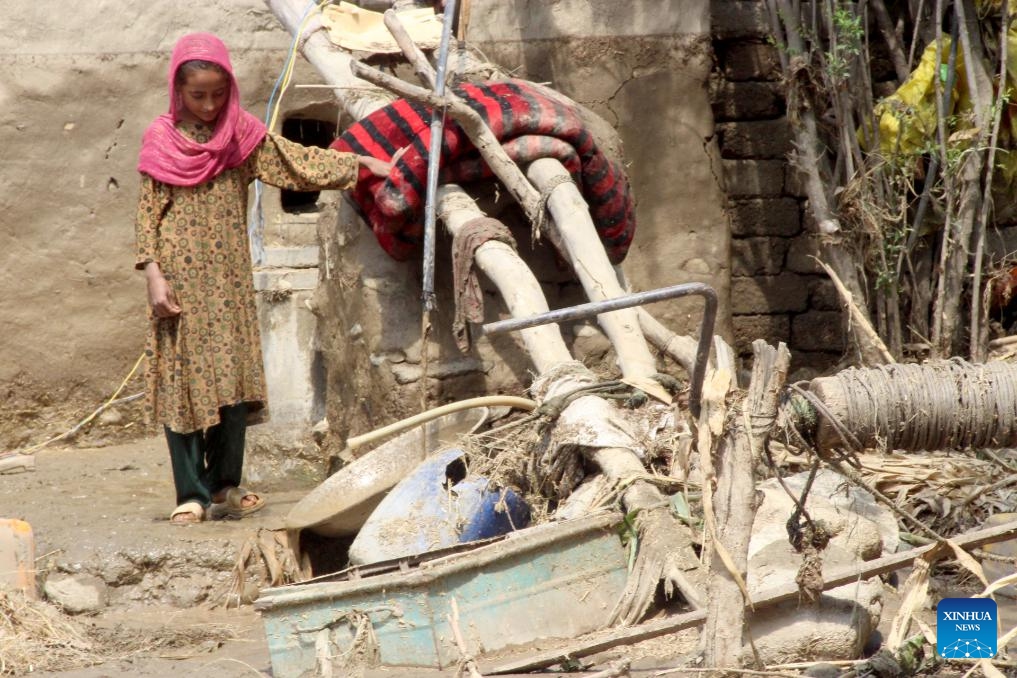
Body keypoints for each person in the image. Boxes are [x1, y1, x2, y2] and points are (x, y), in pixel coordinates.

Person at [135, 33, 392, 524]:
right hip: (179, 279)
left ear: (228, 88)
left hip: (228, 280)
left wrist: (363, 165)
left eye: (216, 94)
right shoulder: (161, 140)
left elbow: (298, 162)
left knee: (232, 383)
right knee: (184, 383)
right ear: (177, 91)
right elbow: (148, 213)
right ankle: (189, 493)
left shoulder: (242, 137)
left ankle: (224, 485)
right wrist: (152, 273)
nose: (209, 105)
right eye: (197, 96)